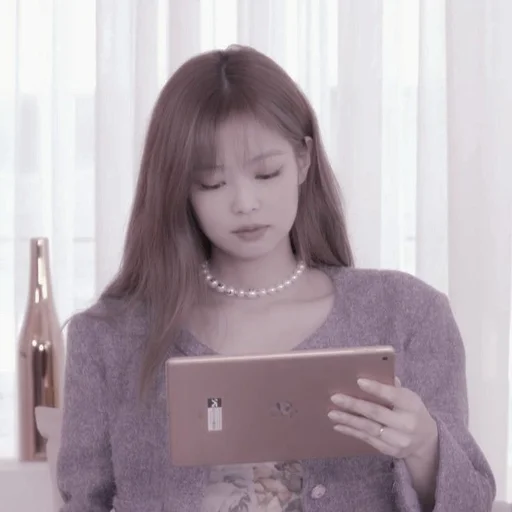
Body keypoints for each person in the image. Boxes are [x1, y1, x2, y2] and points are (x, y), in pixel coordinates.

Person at [56, 45, 495, 512]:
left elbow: (472, 502)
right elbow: (83, 502)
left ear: (303, 160)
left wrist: (424, 445)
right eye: (212, 183)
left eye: (266, 173)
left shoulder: (408, 314)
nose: (245, 203)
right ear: (179, 188)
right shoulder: (109, 339)